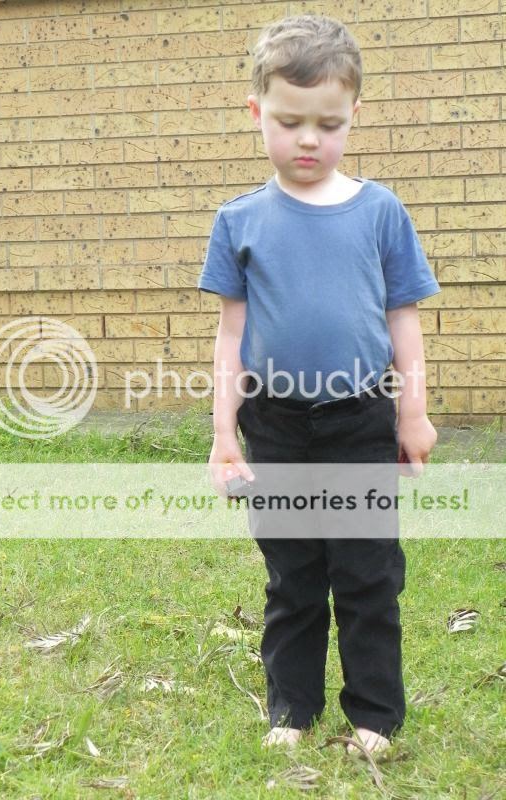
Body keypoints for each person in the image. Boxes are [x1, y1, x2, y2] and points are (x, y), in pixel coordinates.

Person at [198, 14, 440, 755]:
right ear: (256, 112)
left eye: (328, 125)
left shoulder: (380, 212)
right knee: (294, 574)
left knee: (367, 573)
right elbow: (232, 337)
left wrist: (412, 415)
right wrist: (224, 435)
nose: (309, 139)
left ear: (353, 115)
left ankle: (374, 714)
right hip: (274, 425)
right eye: (289, 121)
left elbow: (403, 323)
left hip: (360, 420)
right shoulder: (238, 221)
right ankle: (292, 710)